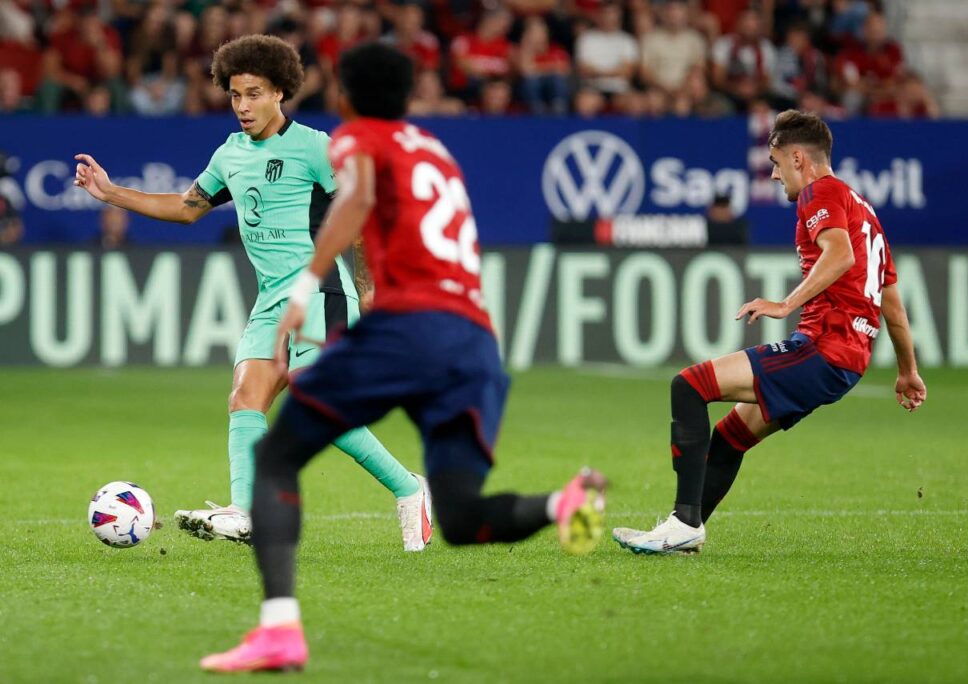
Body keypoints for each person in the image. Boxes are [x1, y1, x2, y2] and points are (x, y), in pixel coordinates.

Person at [199, 43, 608, 674]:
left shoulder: (353, 141)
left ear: (345, 97)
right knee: (461, 515)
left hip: (411, 325)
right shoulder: (434, 151)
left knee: (278, 452)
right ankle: (565, 504)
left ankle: (279, 630)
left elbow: (355, 203)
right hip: (473, 338)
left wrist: (313, 283)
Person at [72, 35, 431, 552]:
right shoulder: (231, 154)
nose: (242, 106)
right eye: (236, 95)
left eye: (254, 94)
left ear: (280, 91)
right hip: (272, 300)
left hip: (322, 290)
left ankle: (409, 490)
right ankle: (245, 513)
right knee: (245, 398)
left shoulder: (314, 147)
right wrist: (111, 193)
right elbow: (187, 208)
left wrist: (369, 284)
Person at [613, 110, 927, 555]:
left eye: (777, 163)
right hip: (846, 359)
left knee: (689, 386)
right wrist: (908, 370)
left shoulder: (820, 192)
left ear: (798, 158)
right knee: (729, 438)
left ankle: (683, 524)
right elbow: (891, 304)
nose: (775, 175)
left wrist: (784, 305)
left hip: (822, 349)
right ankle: (684, 532)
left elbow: (839, 256)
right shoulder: (864, 211)